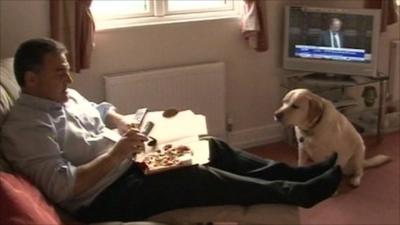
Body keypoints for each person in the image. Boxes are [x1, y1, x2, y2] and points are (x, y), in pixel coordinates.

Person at [0, 38, 342, 223]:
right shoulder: (26, 128)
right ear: (31, 79)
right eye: (61, 72)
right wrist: (119, 152)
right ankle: (296, 192)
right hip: (104, 198)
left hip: (130, 163)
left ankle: (297, 175)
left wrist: (123, 123)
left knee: (213, 147)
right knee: (194, 178)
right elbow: (62, 187)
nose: (70, 79)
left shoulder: (65, 95)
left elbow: (102, 111)